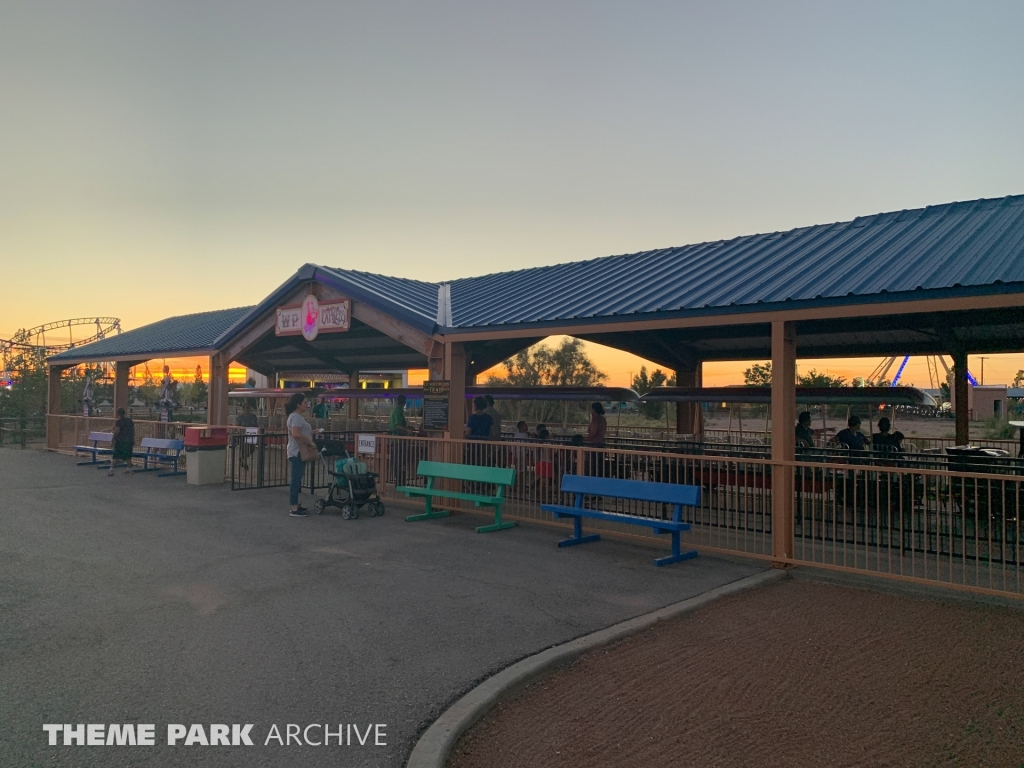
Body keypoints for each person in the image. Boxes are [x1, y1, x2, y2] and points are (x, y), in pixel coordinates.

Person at [286, 392, 317, 517]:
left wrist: (312, 432)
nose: (307, 405)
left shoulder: (295, 417)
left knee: (297, 478)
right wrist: (309, 441)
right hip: (297, 451)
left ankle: (296, 505)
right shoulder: (296, 417)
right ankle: (294, 507)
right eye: (305, 402)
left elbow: (298, 432)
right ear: (298, 405)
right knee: (296, 479)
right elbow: (296, 433)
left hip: (296, 450)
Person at [108, 407, 135, 476]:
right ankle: (129, 468)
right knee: (128, 456)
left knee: (116, 456)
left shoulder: (119, 422)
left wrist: (112, 440)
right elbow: (133, 431)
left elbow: (116, 431)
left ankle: (111, 470)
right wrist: (133, 439)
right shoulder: (130, 421)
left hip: (120, 441)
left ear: (118, 414)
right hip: (129, 440)